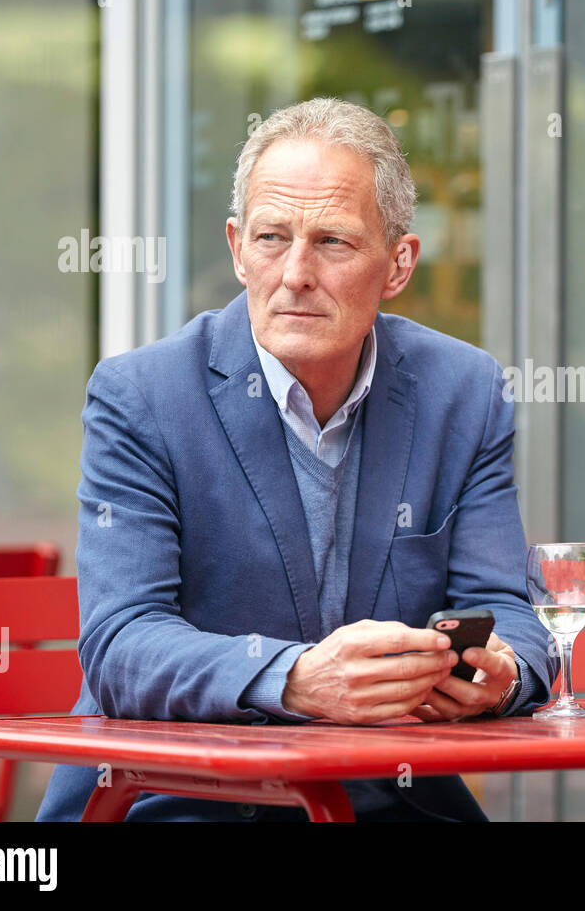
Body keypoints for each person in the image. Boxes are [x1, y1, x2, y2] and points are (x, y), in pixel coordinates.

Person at [36, 97, 556, 822]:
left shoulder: (460, 392)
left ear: (399, 263)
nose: (295, 274)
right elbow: (122, 645)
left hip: (391, 801)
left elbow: (510, 614)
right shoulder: (143, 396)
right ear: (237, 249)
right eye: (272, 237)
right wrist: (294, 679)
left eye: (334, 243)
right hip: (180, 804)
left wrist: (501, 674)